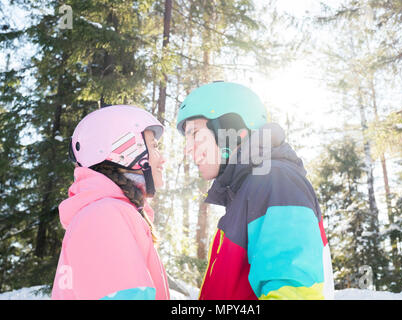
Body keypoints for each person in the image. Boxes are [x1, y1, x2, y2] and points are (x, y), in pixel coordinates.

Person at [176, 81, 335, 300]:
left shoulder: (276, 182)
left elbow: (292, 294)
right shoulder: (247, 194)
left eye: (194, 133)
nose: (188, 148)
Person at [51, 105, 169, 300]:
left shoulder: (107, 213)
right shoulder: (104, 216)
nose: (162, 158)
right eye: (154, 146)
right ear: (126, 149)